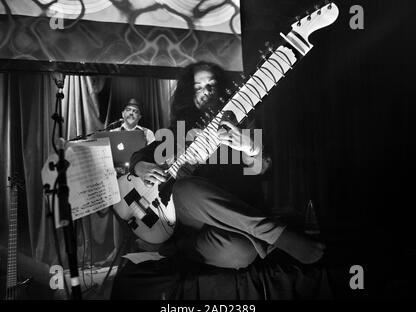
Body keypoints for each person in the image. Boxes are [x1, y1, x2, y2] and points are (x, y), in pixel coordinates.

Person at [128, 61, 325, 269]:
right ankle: (275, 233)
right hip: (189, 216)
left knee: (244, 253)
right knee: (184, 188)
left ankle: (178, 249)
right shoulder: (178, 130)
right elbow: (140, 155)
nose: (207, 91)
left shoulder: (242, 123)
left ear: (221, 87)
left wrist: (252, 149)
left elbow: (261, 171)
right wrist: (140, 166)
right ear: (189, 93)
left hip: (229, 222)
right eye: (198, 87)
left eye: (212, 84)